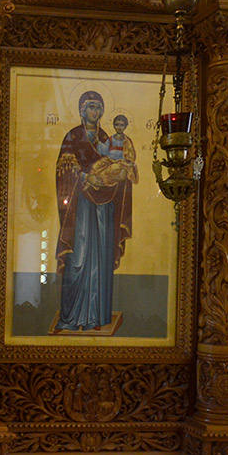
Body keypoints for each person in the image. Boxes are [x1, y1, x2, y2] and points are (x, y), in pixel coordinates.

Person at [54, 92, 136, 331]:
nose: (95, 112)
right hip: (80, 207)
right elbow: (64, 169)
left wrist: (120, 175)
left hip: (104, 207)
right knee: (78, 257)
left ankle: (96, 317)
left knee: (100, 257)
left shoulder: (107, 138)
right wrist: (86, 176)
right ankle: (71, 318)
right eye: (91, 107)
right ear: (82, 110)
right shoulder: (73, 136)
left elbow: (117, 164)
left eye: (99, 108)